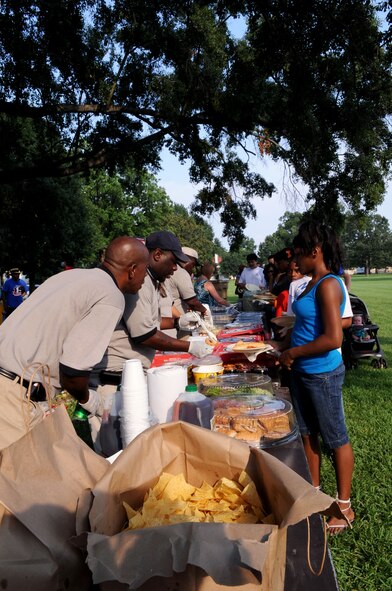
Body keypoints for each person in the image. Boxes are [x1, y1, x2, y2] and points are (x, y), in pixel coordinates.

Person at [0, 237, 150, 446]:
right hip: (14, 397)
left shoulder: (70, 277)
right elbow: (72, 371)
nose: (145, 280)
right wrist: (90, 400)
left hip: (8, 381)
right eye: (145, 270)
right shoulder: (110, 297)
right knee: (17, 475)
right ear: (133, 269)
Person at [279, 221, 355, 534]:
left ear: (315, 250)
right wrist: (283, 347)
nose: (295, 260)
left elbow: (333, 338)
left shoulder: (329, 285)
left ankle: (344, 507)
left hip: (321, 374)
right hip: (301, 373)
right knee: (308, 434)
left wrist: (293, 354)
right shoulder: (312, 282)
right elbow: (305, 327)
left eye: (299, 253)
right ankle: (314, 494)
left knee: (335, 438)